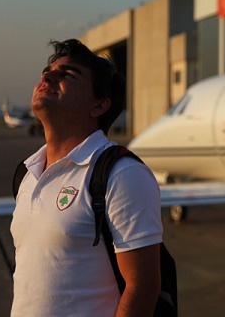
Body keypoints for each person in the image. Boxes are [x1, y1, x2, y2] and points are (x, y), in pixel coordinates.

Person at [10, 39, 163, 317]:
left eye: (68, 74)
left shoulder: (122, 173)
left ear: (99, 106)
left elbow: (143, 285)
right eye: (48, 70)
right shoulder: (28, 174)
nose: (47, 76)